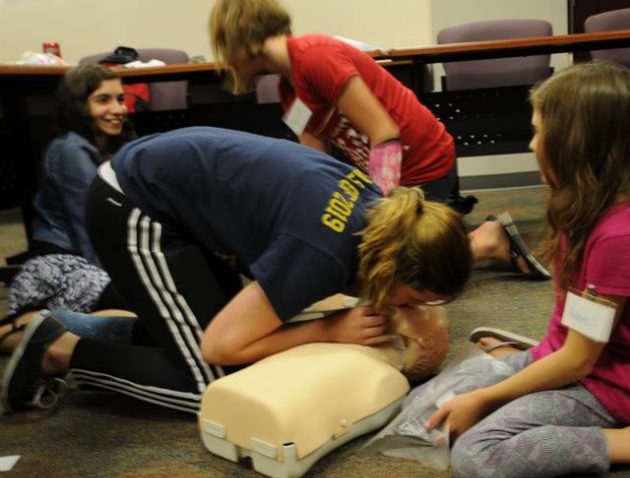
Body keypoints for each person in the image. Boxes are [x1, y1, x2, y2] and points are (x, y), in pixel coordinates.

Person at [396, 62, 630, 478]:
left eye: (541, 133)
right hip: (565, 354)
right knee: (423, 404)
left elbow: (581, 361)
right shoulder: (581, 207)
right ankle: (518, 360)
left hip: (604, 386)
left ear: (577, 146)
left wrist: (488, 399)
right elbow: (578, 339)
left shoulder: (622, 236)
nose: (532, 143)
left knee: (476, 457)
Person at [0, 126, 473, 415]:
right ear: (393, 267)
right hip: (132, 202)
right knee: (213, 382)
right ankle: (57, 349)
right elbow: (221, 345)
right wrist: (328, 328)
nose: (408, 309)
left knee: (224, 334)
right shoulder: (321, 253)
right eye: (412, 298)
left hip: (177, 193)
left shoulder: (385, 217)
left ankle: (75, 327)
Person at [207, 0, 550, 279]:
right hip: (390, 176)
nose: (225, 61)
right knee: (366, 262)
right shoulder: (288, 91)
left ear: (239, 39)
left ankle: (485, 241)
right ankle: (446, 241)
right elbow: (313, 165)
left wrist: (382, 215)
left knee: (403, 273)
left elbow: (384, 134)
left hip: (421, 164)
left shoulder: (315, 56)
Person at [0, 64, 137, 354]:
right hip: (61, 267)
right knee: (149, 308)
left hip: (86, 263)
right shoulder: (71, 149)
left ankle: (52, 329)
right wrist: (120, 284)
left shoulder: (112, 145)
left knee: (159, 308)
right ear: (78, 106)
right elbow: (92, 228)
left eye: (121, 99)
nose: (117, 108)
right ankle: (23, 328)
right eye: (103, 100)